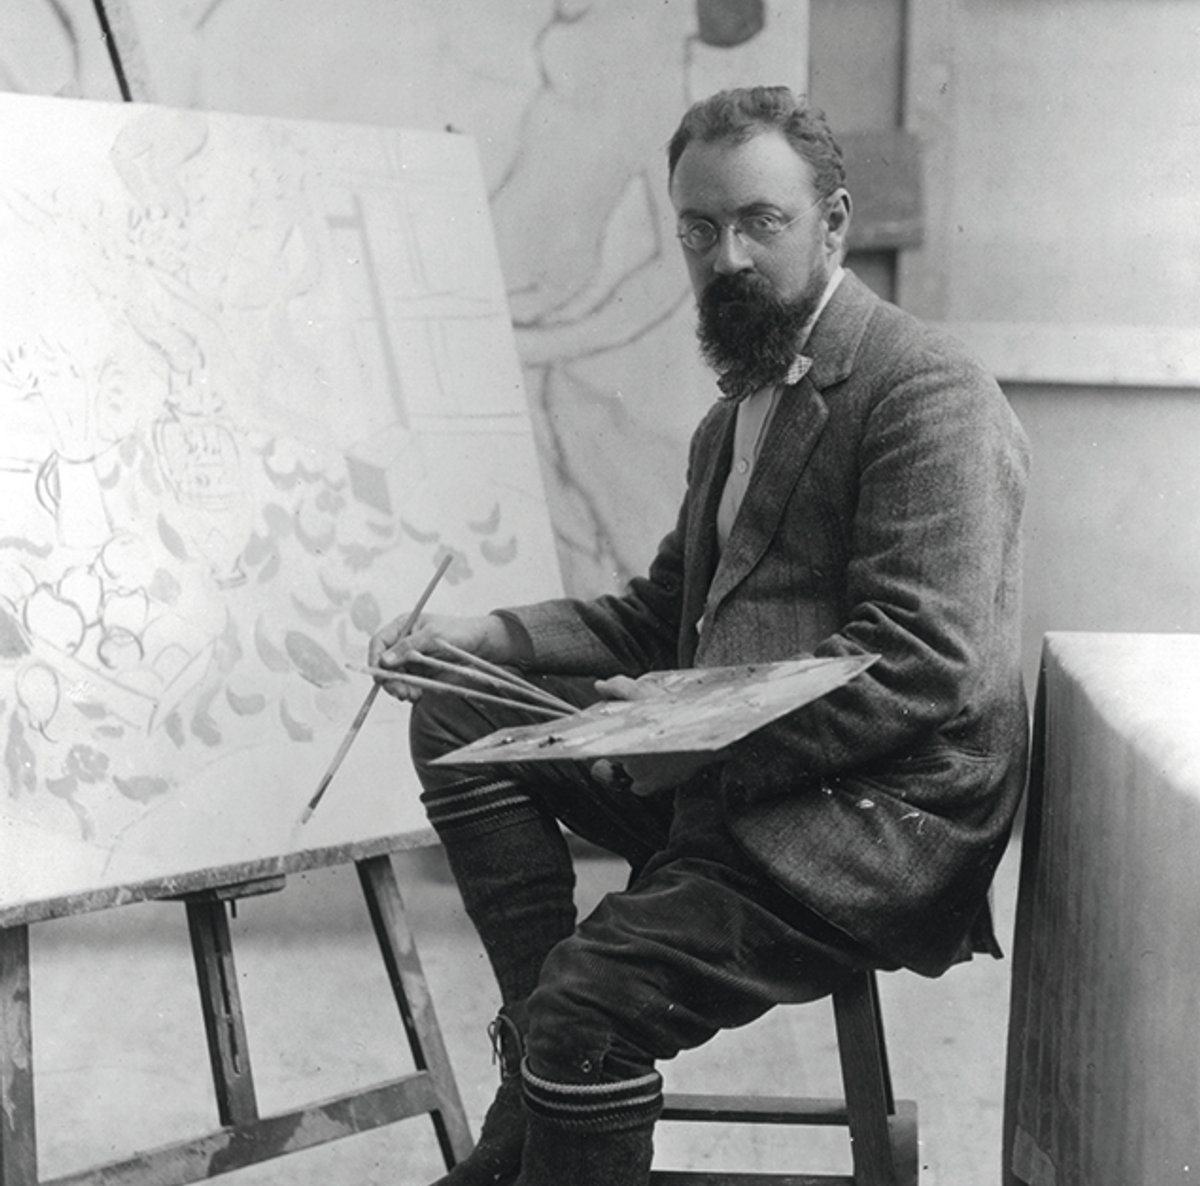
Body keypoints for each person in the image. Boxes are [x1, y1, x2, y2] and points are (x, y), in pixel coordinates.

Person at [369, 85, 1031, 1186]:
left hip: (875, 816)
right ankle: (541, 1078)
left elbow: (922, 666)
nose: (727, 258)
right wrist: (477, 637)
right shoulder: (734, 417)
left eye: (761, 222)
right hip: (740, 777)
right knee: (457, 711)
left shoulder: (927, 389)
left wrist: (695, 741)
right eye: (699, 229)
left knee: (591, 1003)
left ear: (833, 222)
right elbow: (656, 618)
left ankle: (558, 1053)